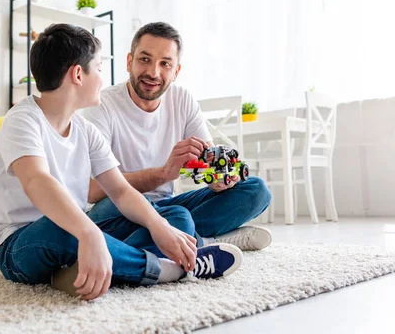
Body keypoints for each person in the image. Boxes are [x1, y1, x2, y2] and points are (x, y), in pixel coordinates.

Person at [0, 23, 243, 301]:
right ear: (78, 74)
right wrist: (89, 233)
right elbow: (37, 180)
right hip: (19, 245)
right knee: (60, 229)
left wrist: (159, 227)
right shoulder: (23, 119)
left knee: (174, 218)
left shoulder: (85, 131)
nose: (103, 78)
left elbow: (120, 190)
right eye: (99, 68)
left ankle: (79, 269)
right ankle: (167, 270)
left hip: (77, 228)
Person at [82, 22, 273, 251]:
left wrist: (218, 178)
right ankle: (203, 241)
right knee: (171, 216)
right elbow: (92, 191)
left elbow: (208, 161)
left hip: (170, 206)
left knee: (256, 190)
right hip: (119, 209)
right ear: (129, 61)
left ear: (176, 72)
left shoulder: (182, 99)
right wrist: (163, 174)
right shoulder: (102, 105)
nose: (154, 72)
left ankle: (172, 239)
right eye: (145, 59)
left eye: (165, 64)